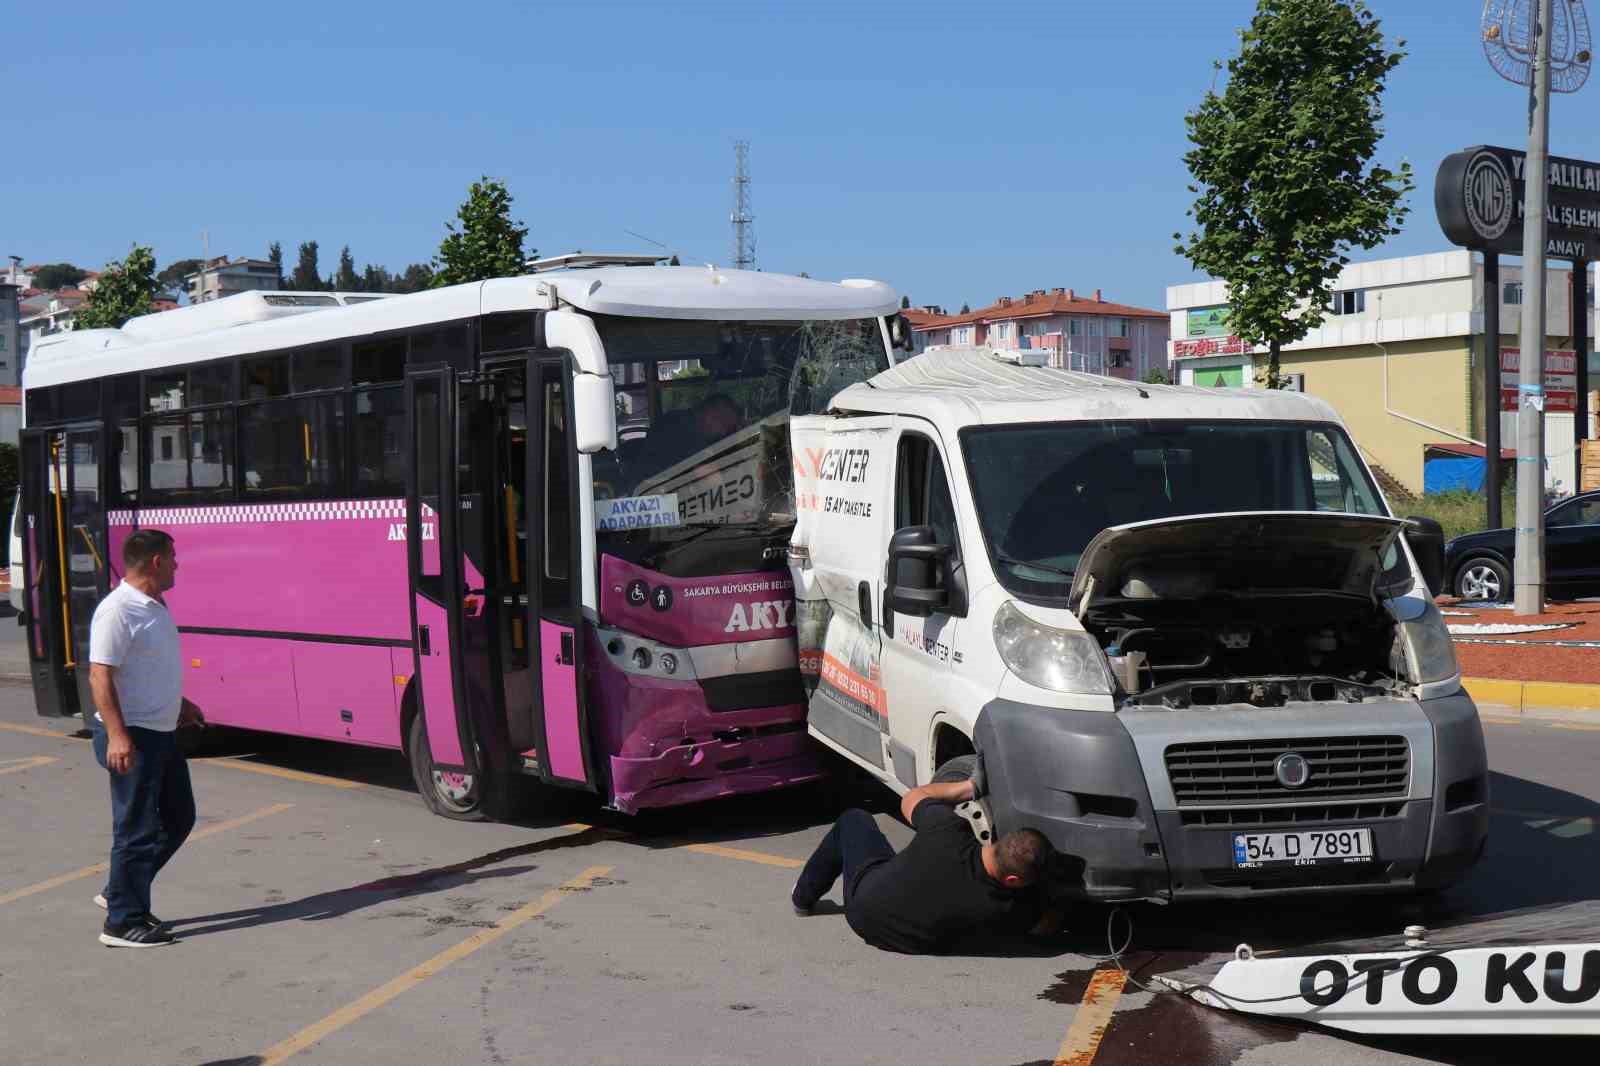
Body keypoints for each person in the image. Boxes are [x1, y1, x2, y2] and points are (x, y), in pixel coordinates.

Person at [88, 529, 204, 948]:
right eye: (173, 557)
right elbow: (100, 674)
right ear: (156, 562)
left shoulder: (155, 605)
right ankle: (121, 922)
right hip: (133, 735)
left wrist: (181, 702)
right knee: (136, 828)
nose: (177, 564)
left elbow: (146, 667)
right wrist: (118, 736)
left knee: (178, 817)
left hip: (161, 730)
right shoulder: (118, 611)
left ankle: (122, 891)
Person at [791, 777, 1059, 954]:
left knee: (855, 819)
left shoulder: (946, 831)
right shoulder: (1012, 910)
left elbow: (911, 798)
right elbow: (1045, 926)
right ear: (1012, 881)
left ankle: (802, 899)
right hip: (906, 941)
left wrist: (968, 788)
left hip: (865, 907)